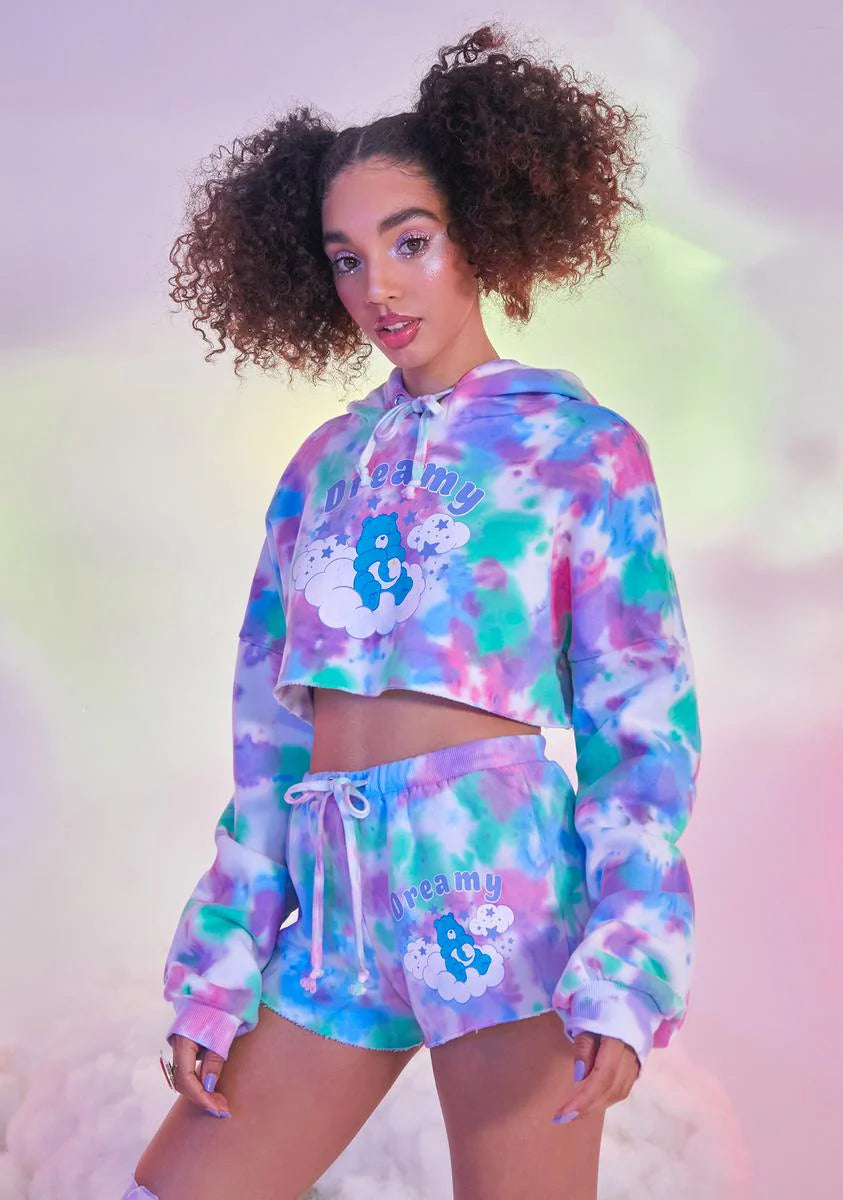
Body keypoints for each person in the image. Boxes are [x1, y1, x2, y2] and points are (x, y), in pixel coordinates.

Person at [126, 23, 701, 1200]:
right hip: (334, 903)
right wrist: (222, 961)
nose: (377, 288)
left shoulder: (580, 450)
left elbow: (642, 726)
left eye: (410, 241)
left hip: (501, 897)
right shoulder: (320, 467)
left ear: (479, 232)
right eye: (346, 259)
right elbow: (267, 742)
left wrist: (628, 960)